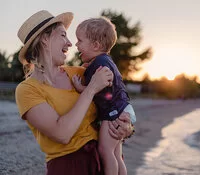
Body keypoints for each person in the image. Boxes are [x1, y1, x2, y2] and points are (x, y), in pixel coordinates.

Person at [15, 10, 134, 175]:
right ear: (44, 39)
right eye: (63, 35)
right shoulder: (27, 90)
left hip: (105, 164)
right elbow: (62, 134)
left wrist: (127, 127)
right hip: (69, 167)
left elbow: (115, 97)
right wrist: (91, 89)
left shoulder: (81, 73)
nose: (70, 43)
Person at [72, 17, 135, 175]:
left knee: (105, 151)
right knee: (115, 154)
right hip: (122, 108)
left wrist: (81, 88)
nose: (76, 44)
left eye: (80, 40)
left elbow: (101, 86)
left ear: (96, 45)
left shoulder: (100, 64)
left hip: (113, 112)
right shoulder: (105, 60)